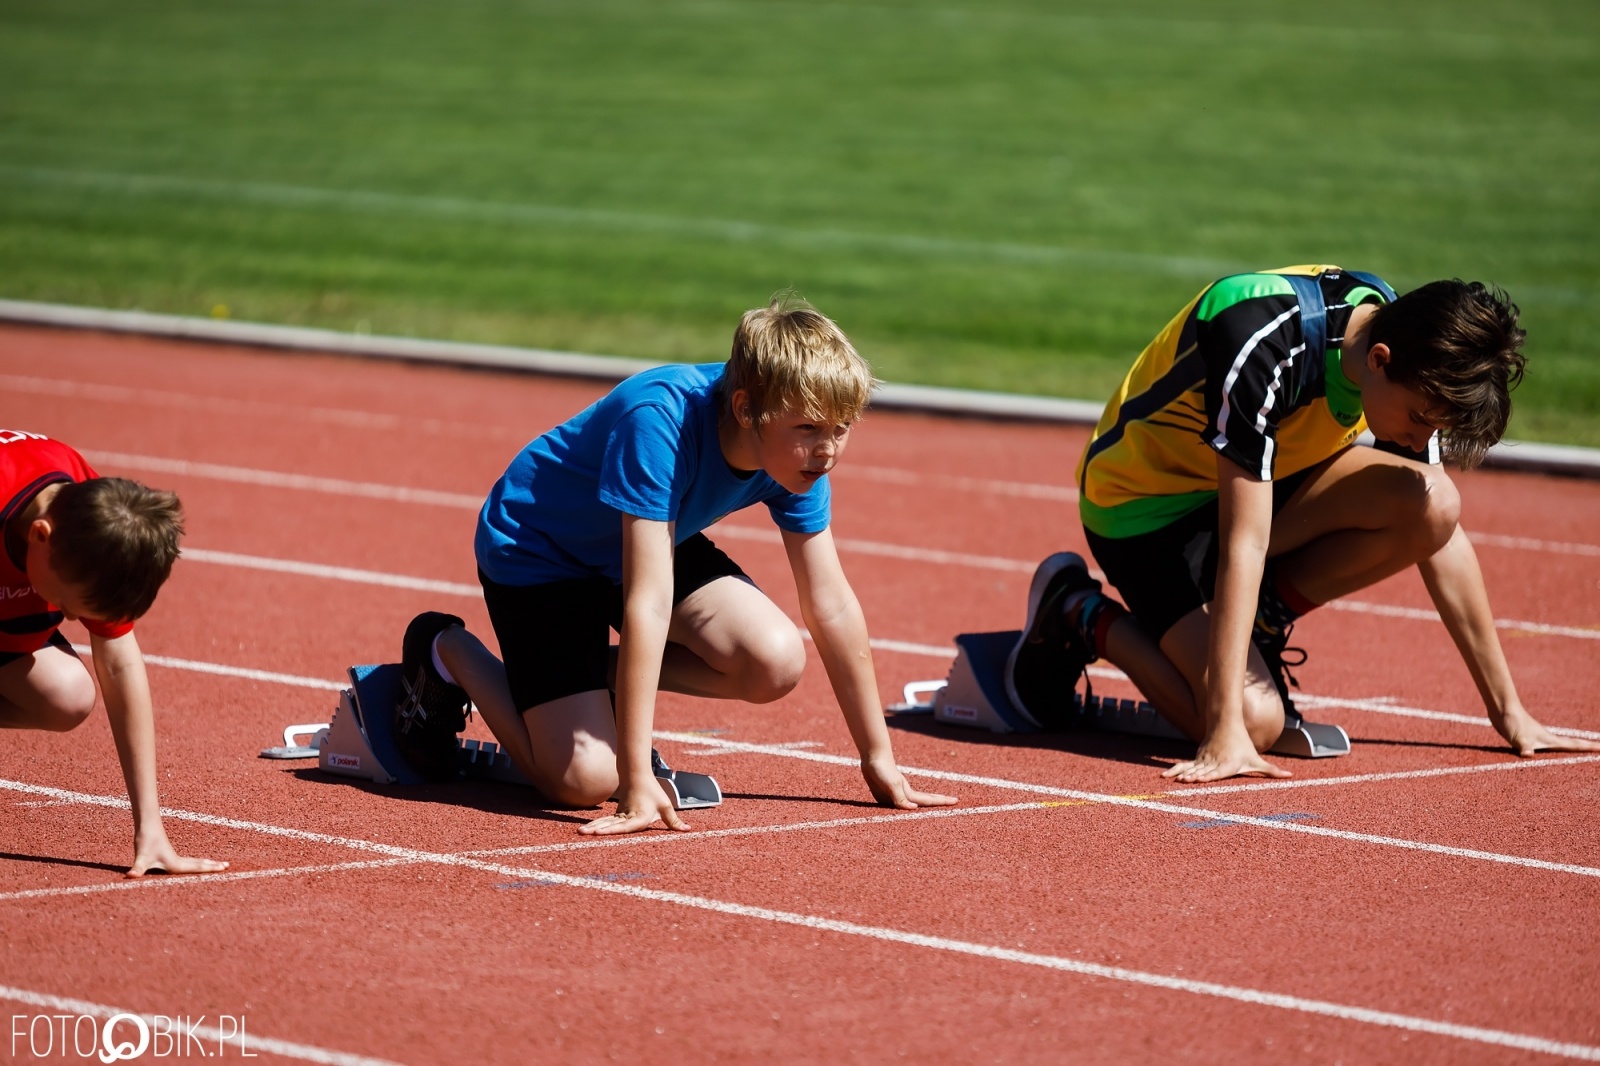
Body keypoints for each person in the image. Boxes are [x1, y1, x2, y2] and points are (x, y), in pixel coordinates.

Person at [1004, 265, 1599, 782]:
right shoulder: (1260, 338)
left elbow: (1442, 538)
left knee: (1434, 502)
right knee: (1255, 724)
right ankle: (1079, 612)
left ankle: (1261, 619)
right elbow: (1244, 540)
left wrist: (1509, 712)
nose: (1420, 437)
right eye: (1420, 420)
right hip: (1144, 512)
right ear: (1379, 359)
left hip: (1253, 488)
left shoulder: (1405, 348)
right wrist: (1224, 732)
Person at [391, 295, 956, 832]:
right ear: (745, 410)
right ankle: (448, 649)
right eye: (809, 428)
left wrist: (877, 756)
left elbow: (830, 604)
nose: (827, 449)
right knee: (584, 782)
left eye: (841, 427)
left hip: (646, 535)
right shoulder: (659, 419)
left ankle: (586, 679)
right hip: (539, 550)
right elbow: (649, 602)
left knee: (774, 661)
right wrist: (635, 778)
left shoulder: (798, 456)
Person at [1, 429, 227, 875]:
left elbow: (120, 663)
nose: (66, 616)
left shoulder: (101, 524)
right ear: (41, 535)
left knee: (67, 696)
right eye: (65, 601)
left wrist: (150, 828)